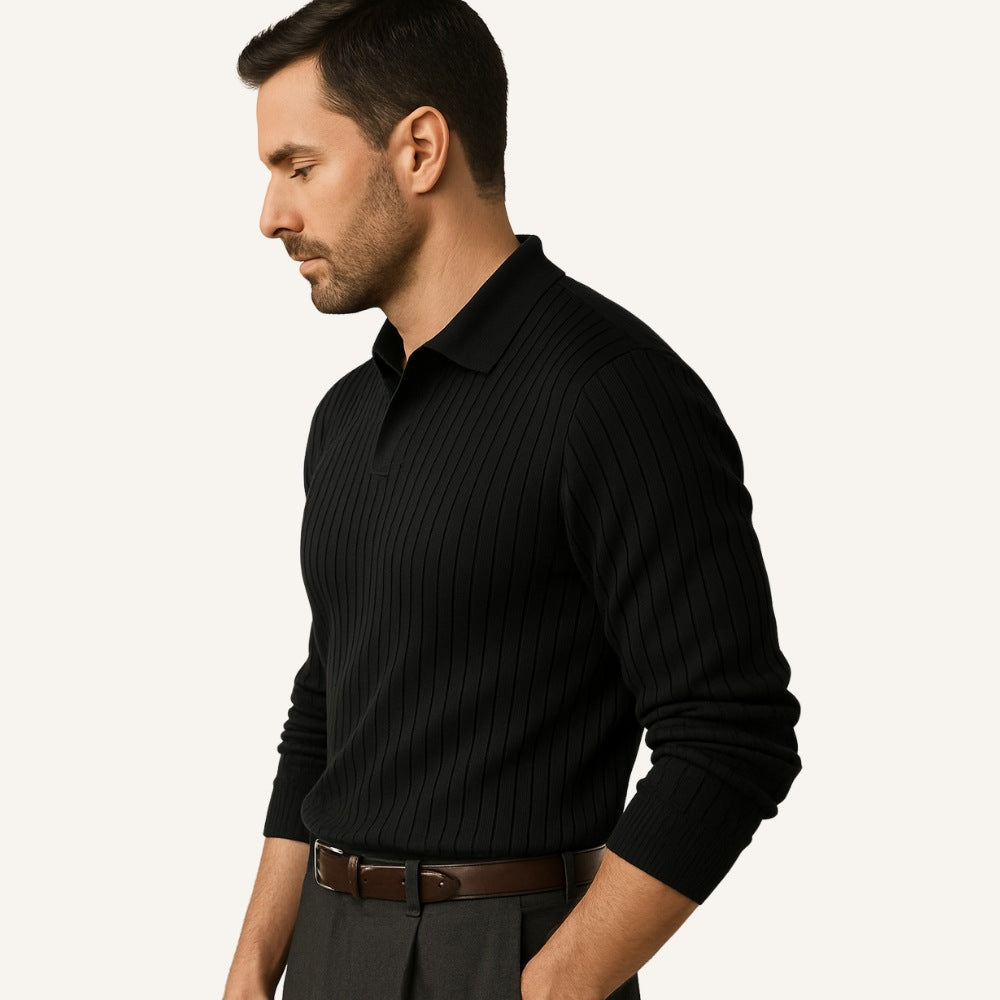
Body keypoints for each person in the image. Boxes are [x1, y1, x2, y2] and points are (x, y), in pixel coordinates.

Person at [222, 2, 803, 999]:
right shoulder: (346, 416)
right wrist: (250, 973)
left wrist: (553, 984)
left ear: (419, 149)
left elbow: (729, 736)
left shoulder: (612, 394)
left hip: (504, 955)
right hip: (328, 946)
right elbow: (329, 700)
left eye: (299, 167)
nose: (271, 215)